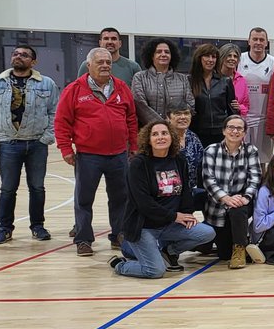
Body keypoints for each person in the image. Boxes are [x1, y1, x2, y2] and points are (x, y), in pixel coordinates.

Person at [55, 48, 138, 256]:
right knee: (84, 199)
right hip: (88, 155)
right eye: (100, 62)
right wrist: (65, 148)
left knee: (121, 198)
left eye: (108, 62)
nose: (105, 66)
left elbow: (131, 119)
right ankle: (83, 239)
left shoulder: (121, 87)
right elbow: (62, 122)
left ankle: (119, 234)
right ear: (89, 65)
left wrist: (134, 146)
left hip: (119, 154)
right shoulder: (74, 89)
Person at [109, 119, 215, 278]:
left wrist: (186, 214)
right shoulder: (138, 164)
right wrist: (174, 216)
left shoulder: (179, 160)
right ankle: (120, 265)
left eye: (164, 133)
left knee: (207, 233)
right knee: (155, 271)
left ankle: (168, 251)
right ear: (148, 139)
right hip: (144, 227)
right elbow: (143, 203)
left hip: (169, 224)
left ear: (172, 137)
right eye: (155, 134)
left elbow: (185, 190)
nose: (160, 137)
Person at [0, 44, 60, 244]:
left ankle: (38, 226)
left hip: (37, 144)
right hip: (8, 144)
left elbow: (55, 114)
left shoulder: (46, 83)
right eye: (15, 54)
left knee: (37, 188)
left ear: (33, 62)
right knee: (7, 188)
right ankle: (5, 229)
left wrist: (46, 138)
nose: (18, 57)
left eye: (24, 55)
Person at [202, 114, 262, 268]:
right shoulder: (211, 150)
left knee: (238, 209)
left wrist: (246, 197)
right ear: (224, 131)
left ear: (244, 133)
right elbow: (208, 180)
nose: (235, 131)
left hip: (240, 204)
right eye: (231, 127)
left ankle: (240, 249)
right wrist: (226, 198)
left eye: (239, 128)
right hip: (217, 209)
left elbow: (255, 178)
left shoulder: (251, 150)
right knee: (223, 254)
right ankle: (236, 243)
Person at [131, 38, 195, 126]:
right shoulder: (140, 77)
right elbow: (140, 105)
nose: (163, 54)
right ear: (151, 55)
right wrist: (162, 125)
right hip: (149, 131)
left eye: (167, 52)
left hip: (177, 130)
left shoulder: (182, 79)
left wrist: (175, 122)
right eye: (159, 52)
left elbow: (190, 104)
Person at [188, 42, 237, 146]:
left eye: (213, 57)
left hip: (221, 132)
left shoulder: (225, 81)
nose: (210, 60)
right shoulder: (189, 81)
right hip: (197, 132)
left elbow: (232, 110)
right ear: (199, 58)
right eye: (207, 56)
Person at [238, 27, 274, 158]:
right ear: (249, 41)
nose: (258, 42)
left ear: (266, 42)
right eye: (255, 39)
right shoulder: (239, 59)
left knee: (263, 160)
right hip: (242, 119)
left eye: (261, 39)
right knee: (242, 158)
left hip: (264, 120)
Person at [166, 107, 205, 209]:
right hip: (169, 194)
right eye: (178, 114)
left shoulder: (193, 137)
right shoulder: (164, 138)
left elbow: (202, 162)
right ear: (168, 117)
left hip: (191, 191)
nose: (183, 117)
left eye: (186, 113)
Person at [76, 27, 140, 85]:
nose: (110, 42)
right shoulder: (88, 65)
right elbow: (79, 89)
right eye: (106, 39)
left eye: (114, 39)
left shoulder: (133, 67)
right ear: (100, 43)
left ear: (120, 43)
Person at [219, 44, 249, 120]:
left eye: (235, 56)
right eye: (229, 55)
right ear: (222, 57)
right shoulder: (214, 78)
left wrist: (239, 107)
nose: (232, 59)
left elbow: (246, 105)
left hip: (235, 121)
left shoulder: (242, 80)